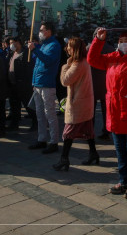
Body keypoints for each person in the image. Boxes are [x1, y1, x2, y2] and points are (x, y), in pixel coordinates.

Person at [87, 26, 127, 200]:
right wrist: (99, 40)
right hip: (115, 112)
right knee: (120, 150)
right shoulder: (112, 59)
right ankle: (123, 180)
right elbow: (92, 59)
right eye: (121, 42)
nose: (124, 45)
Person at [53, 37, 97, 171]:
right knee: (88, 131)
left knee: (68, 133)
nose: (67, 49)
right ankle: (93, 153)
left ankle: (64, 159)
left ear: (75, 49)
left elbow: (65, 80)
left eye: (69, 47)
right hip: (85, 102)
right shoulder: (84, 61)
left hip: (78, 103)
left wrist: (65, 66)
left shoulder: (77, 64)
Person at [28, 21, 61, 154]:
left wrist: (35, 49)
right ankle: (42, 139)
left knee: (50, 114)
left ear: (49, 31)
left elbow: (48, 61)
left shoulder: (54, 45)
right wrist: (33, 82)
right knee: (40, 114)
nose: (40, 32)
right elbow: (36, 66)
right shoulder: (43, 45)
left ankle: (54, 141)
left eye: (42, 30)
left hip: (47, 84)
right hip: (38, 84)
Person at [89, 28, 115, 140]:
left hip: (92, 84)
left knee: (91, 111)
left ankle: (90, 132)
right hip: (106, 84)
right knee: (107, 111)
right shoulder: (111, 48)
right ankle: (106, 130)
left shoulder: (89, 48)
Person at [7, 36, 36, 130]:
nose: (11, 45)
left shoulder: (26, 54)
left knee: (28, 105)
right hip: (13, 84)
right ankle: (14, 124)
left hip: (23, 84)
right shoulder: (12, 53)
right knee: (14, 106)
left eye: (13, 42)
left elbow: (29, 69)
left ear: (18, 43)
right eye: (10, 43)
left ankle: (35, 123)